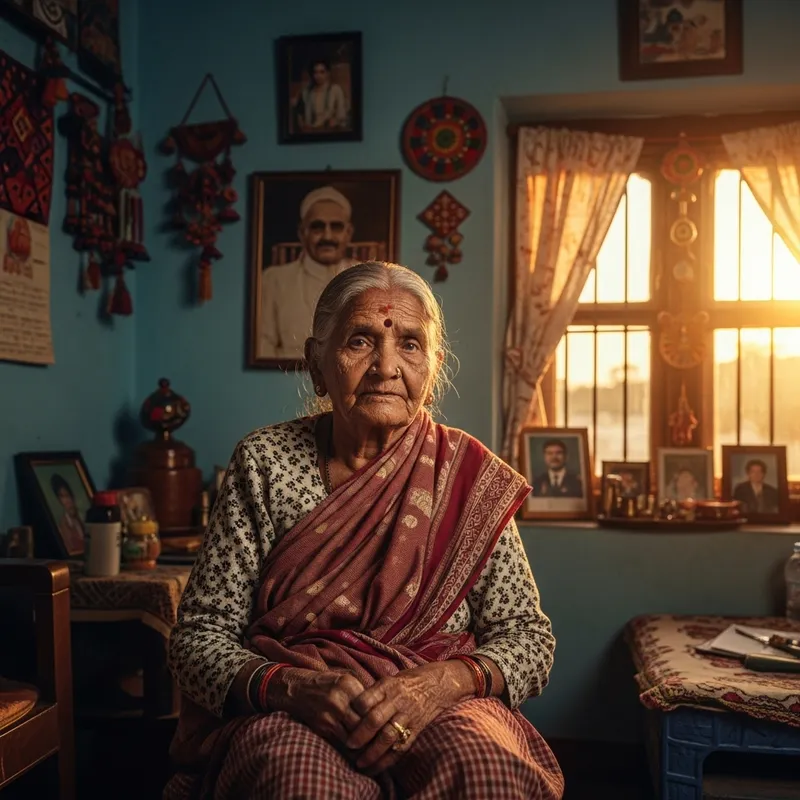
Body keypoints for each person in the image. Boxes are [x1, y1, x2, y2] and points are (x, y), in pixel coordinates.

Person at [166, 262, 563, 799]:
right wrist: (288, 687)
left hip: (440, 702)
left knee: (485, 772)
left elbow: (529, 639)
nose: (386, 367)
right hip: (296, 707)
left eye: (410, 345)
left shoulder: (467, 476)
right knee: (296, 782)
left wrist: (441, 683)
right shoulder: (264, 463)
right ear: (317, 363)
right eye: (360, 340)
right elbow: (197, 638)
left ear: (434, 366)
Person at [259, 186, 357, 360]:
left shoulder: (364, 279)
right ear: (302, 233)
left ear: (348, 233)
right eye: (317, 227)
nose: (327, 236)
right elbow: (263, 346)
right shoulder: (274, 280)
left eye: (336, 227)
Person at [292, 59, 348, 132]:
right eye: (315, 72)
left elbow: (341, 114)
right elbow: (300, 114)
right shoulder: (306, 92)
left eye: (322, 72)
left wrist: (335, 121)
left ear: (328, 73)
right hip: (310, 131)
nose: (318, 76)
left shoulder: (335, 90)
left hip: (330, 131)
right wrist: (303, 125)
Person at [50, 473, 84, 553]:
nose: (67, 500)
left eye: (67, 495)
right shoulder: (63, 525)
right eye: (62, 497)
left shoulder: (81, 517)